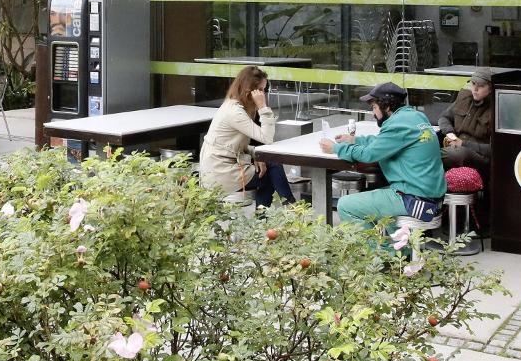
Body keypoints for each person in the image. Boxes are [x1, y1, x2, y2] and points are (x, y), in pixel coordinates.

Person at [318, 81, 445, 236]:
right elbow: (385, 142)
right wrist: (355, 140)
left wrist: (336, 148)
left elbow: (369, 155)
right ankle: (397, 254)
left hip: (414, 198)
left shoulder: (397, 124)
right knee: (381, 207)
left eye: (374, 107)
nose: (373, 113)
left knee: (345, 205)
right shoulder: (415, 116)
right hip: (430, 196)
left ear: (387, 106)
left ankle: (376, 256)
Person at [199, 65, 295, 208]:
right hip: (220, 172)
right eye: (261, 90)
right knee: (272, 166)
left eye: (265, 90)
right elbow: (267, 138)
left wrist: (255, 155)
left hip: (224, 166)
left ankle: (270, 216)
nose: (263, 95)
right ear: (249, 90)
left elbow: (233, 146)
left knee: (268, 168)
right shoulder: (235, 112)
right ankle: (292, 208)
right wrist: (263, 107)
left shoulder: (236, 106)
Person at [438, 67, 494, 170]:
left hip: (479, 154)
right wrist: (451, 134)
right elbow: (444, 117)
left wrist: (463, 144)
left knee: (456, 154)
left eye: (480, 86)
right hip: (455, 144)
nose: (475, 89)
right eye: (473, 84)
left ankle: (429, 157)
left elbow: (494, 149)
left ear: (490, 89)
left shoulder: (495, 108)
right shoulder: (464, 98)